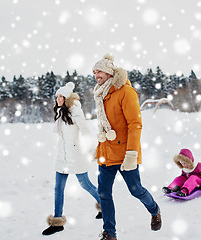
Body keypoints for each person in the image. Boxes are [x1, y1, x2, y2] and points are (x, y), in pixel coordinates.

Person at [92, 54, 162, 240]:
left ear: (108, 72)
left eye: (98, 71)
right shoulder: (100, 94)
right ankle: (110, 234)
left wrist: (132, 153)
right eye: (94, 72)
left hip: (125, 154)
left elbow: (135, 124)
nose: (95, 74)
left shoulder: (126, 92)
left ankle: (154, 210)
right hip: (106, 154)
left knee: (136, 190)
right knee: (104, 194)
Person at [42, 82, 102, 236]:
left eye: (61, 96)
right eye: (57, 96)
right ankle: (57, 222)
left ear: (67, 97)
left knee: (85, 184)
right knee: (58, 189)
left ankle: (104, 205)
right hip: (62, 157)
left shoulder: (76, 111)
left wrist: (92, 150)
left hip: (76, 156)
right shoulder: (61, 112)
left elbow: (86, 131)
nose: (58, 99)